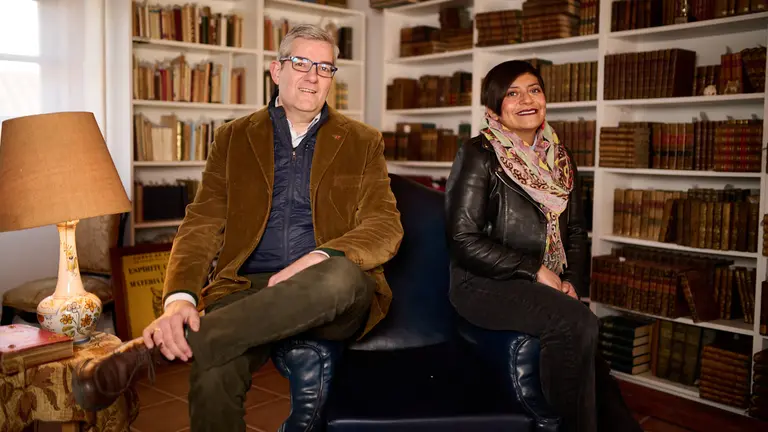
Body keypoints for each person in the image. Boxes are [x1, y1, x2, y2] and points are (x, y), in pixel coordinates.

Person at [72, 24, 403, 431]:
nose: (313, 75)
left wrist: (316, 258)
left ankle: (150, 355)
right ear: (276, 71)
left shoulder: (361, 141)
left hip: (330, 293)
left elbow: (384, 225)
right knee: (213, 374)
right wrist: (179, 298)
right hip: (245, 289)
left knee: (339, 275)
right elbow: (202, 223)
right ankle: (192, 341)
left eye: (324, 67)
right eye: (301, 62)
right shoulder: (233, 138)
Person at [444, 60, 642, 432]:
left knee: (584, 334)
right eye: (513, 94)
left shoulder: (563, 161)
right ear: (493, 109)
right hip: (483, 283)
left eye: (534, 90)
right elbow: (462, 240)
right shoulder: (477, 155)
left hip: (545, 281)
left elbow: (577, 233)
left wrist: (573, 285)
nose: (527, 100)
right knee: (575, 324)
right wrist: (535, 271)